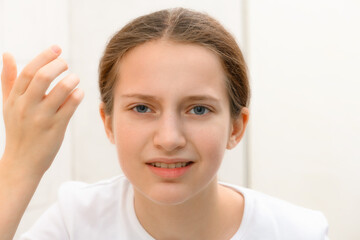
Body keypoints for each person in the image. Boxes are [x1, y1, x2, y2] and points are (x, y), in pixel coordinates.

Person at [0, 7, 328, 240]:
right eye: (142, 107)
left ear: (236, 127)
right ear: (108, 122)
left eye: (198, 109)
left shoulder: (299, 232)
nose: (169, 139)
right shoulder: (76, 221)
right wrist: (21, 163)